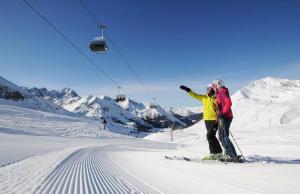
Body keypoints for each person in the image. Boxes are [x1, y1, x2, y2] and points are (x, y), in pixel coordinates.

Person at [180, 84, 222, 158]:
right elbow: (195, 95)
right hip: (207, 120)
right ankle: (215, 153)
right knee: (211, 137)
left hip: (214, 120)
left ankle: (217, 152)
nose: (207, 90)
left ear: (212, 89)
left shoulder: (215, 98)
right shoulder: (204, 97)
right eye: (207, 88)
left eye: (208, 88)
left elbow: (220, 107)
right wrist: (188, 90)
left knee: (209, 136)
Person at [212, 79, 238, 160]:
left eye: (214, 87)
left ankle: (231, 155)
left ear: (217, 85)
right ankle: (229, 154)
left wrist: (222, 113)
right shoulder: (220, 93)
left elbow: (229, 102)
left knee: (223, 137)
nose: (214, 88)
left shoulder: (222, 91)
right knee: (223, 136)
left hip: (225, 116)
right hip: (224, 116)